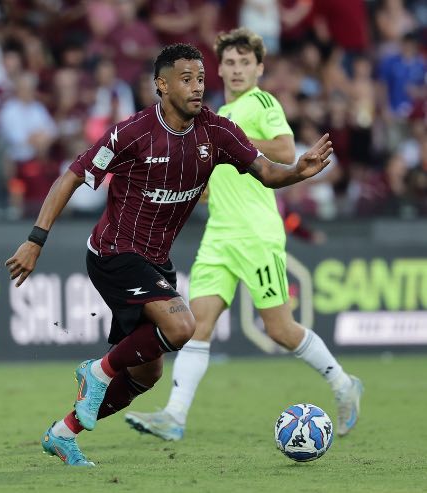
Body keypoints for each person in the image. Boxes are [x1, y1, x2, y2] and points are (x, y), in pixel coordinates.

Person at [5, 42, 334, 467]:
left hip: (156, 260)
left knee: (147, 374)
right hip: (113, 251)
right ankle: (97, 371)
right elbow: (71, 175)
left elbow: (268, 172)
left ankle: (63, 432)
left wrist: (297, 173)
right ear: (161, 85)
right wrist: (35, 239)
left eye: (200, 78)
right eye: (186, 79)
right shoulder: (132, 133)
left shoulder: (218, 131)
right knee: (182, 327)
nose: (198, 87)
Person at [124, 28, 363, 442]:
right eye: (230, 63)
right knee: (197, 325)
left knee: (280, 330)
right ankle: (174, 416)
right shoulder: (215, 114)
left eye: (244, 63)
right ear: (220, 69)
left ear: (259, 68)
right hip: (219, 233)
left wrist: (230, 140)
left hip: (257, 234)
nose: (236, 70)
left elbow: (286, 152)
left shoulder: (260, 102)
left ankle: (344, 385)